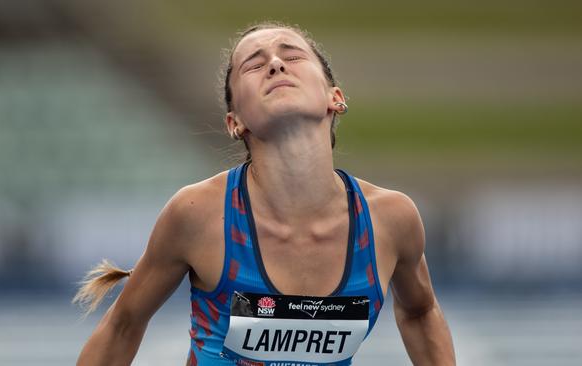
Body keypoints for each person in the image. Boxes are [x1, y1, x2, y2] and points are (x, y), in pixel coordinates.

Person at [74, 21, 456, 366]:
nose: (275, 64)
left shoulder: (390, 219)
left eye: (292, 56)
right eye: (254, 66)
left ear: (334, 98)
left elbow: (420, 312)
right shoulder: (197, 215)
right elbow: (122, 326)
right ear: (234, 121)